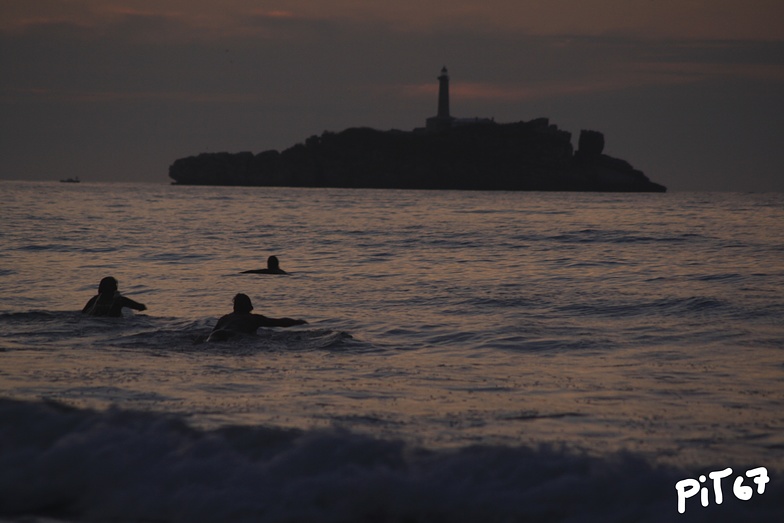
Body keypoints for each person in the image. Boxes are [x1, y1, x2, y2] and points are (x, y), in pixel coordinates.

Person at [208, 293, 306, 341]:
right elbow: (279, 322)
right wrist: (298, 322)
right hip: (233, 336)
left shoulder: (224, 318)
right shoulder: (253, 319)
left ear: (234, 307)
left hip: (216, 335)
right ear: (250, 307)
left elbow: (210, 333)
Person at [82, 276, 147, 317]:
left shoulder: (94, 299)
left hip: (94, 319)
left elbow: (83, 313)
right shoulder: (119, 300)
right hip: (113, 321)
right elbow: (141, 307)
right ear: (115, 287)